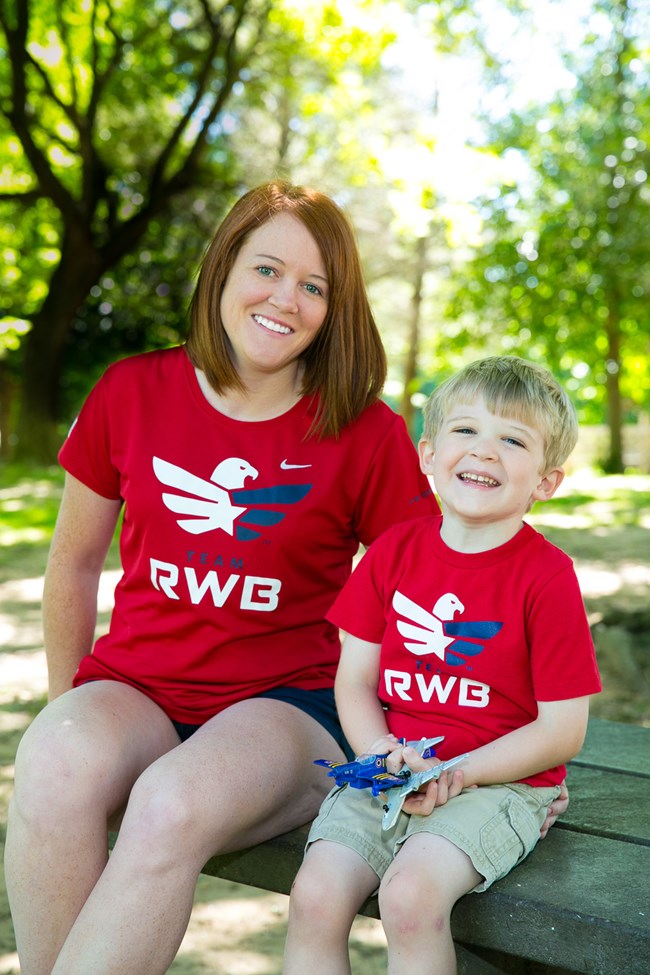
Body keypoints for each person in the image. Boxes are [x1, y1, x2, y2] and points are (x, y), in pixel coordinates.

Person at [5, 180, 442, 975]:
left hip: (290, 705)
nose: (287, 298)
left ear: (334, 308)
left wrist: (414, 749)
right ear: (224, 269)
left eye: (315, 286)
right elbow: (72, 563)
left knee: (170, 802)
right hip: (139, 685)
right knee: (53, 759)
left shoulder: (366, 431)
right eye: (267, 269)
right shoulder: (132, 390)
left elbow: (419, 604)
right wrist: (71, 705)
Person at [284, 355, 601, 975]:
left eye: (512, 440)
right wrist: (381, 752)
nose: (484, 452)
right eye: (465, 431)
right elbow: (353, 680)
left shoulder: (547, 577)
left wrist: (455, 772)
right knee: (315, 896)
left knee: (410, 897)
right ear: (428, 454)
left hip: (502, 780)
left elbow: (563, 731)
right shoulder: (391, 553)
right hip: (394, 767)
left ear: (545, 481)